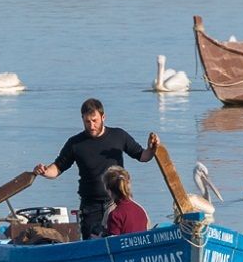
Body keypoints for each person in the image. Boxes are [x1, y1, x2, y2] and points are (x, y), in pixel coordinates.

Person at [34, 98, 159, 239]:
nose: (92, 126)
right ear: (82, 119)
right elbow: (57, 168)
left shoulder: (119, 135)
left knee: (122, 239)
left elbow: (143, 156)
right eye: (87, 122)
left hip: (117, 202)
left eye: (95, 120)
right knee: (92, 242)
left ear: (103, 117)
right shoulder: (75, 143)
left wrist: (152, 149)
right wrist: (44, 171)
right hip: (90, 206)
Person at [102, 166, 149, 236]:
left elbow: (113, 243)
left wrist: (98, 239)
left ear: (108, 190)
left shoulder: (115, 215)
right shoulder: (140, 210)